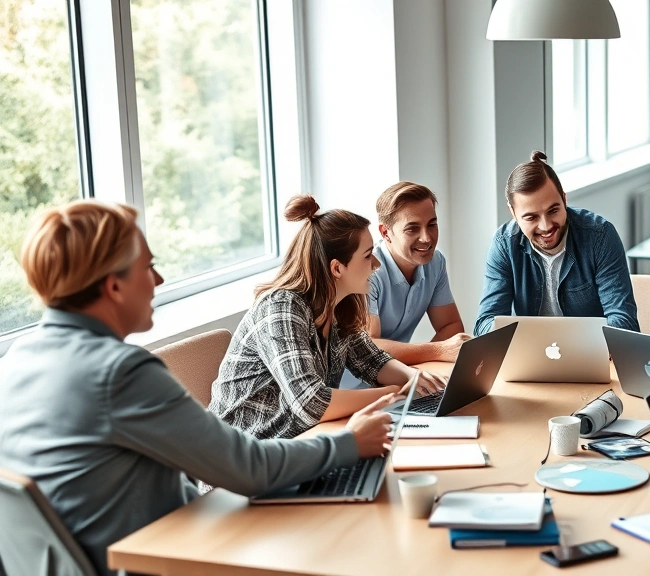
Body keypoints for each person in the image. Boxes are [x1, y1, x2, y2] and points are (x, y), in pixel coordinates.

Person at [0, 201, 394, 576]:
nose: (159, 280)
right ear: (113, 287)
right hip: (168, 559)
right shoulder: (120, 373)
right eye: (148, 267)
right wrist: (350, 443)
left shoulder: (15, 361)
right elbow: (248, 468)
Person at [209, 195, 447, 440]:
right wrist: (396, 394)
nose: (376, 264)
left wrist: (417, 380)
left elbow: (371, 360)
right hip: (241, 460)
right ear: (337, 268)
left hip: (298, 446)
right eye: (367, 255)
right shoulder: (280, 309)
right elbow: (311, 402)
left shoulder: (339, 306)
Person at [474, 151, 639, 335]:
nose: (545, 227)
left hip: (591, 356)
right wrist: (508, 337)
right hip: (530, 358)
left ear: (564, 199)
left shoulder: (599, 236)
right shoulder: (504, 245)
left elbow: (624, 321)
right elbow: (484, 323)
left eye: (553, 210)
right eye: (531, 217)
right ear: (513, 213)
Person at [368, 182, 470, 364]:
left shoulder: (435, 262)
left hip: (398, 377)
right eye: (412, 228)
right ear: (385, 232)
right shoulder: (367, 270)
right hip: (353, 388)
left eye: (432, 225)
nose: (427, 238)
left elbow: (451, 326)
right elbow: (369, 347)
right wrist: (437, 351)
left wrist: (421, 370)